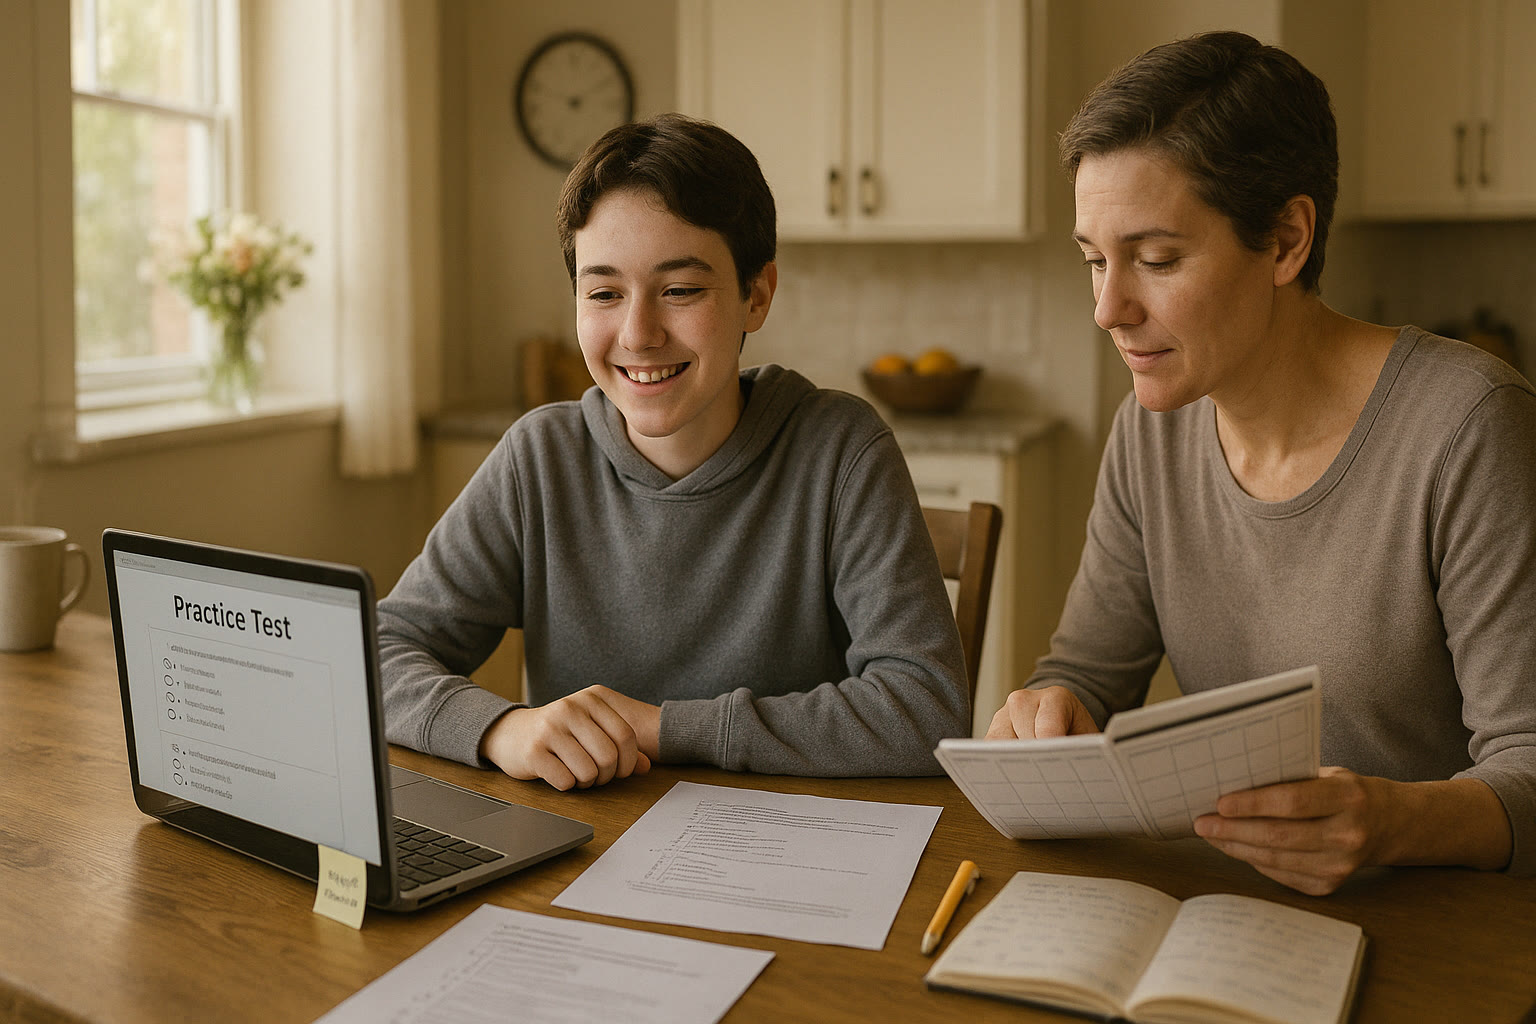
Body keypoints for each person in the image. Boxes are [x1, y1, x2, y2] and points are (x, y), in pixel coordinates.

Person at [988, 31, 1536, 895]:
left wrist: (1390, 822)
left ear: (1287, 239)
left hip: (1444, 929)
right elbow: (1088, 673)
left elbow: (1530, 765)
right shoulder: (1149, 429)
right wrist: (1046, 714)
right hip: (1235, 908)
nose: (1107, 308)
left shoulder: (1467, 426)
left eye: (1156, 259)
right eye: (1094, 261)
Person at [378, 113, 970, 792]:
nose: (638, 333)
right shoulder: (538, 459)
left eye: (681, 290)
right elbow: (376, 655)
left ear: (757, 294)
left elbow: (925, 709)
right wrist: (498, 728)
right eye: (604, 293)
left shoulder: (840, 452)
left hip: (791, 853)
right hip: (579, 858)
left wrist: (658, 728)